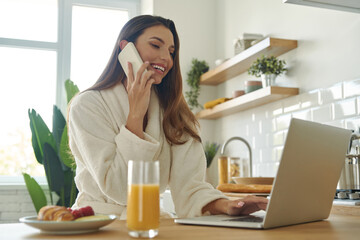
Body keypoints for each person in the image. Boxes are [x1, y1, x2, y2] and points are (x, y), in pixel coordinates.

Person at [68, 15, 268, 219]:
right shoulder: (87, 106)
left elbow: (191, 187)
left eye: (171, 52)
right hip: (98, 225)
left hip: (151, 223)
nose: (167, 59)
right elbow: (120, 189)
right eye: (156, 45)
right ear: (126, 48)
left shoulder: (172, 110)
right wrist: (135, 115)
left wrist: (228, 205)